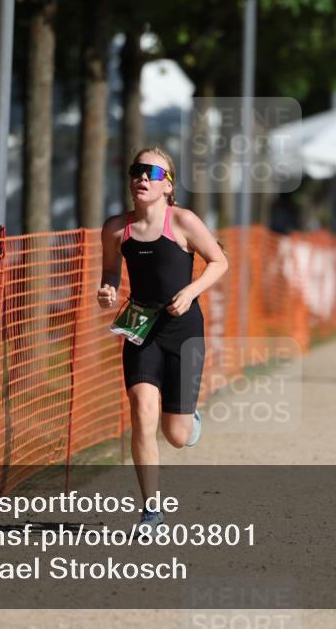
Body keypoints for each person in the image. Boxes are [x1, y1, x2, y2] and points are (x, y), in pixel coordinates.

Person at [97, 147, 228, 529]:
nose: (142, 177)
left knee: (176, 434)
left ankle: (189, 416)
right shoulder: (116, 229)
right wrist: (106, 289)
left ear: (168, 185)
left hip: (184, 332)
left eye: (152, 172)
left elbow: (220, 261)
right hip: (141, 330)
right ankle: (152, 510)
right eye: (136, 170)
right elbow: (109, 272)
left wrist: (190, 292)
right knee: (141, 413)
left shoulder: (184, 221)